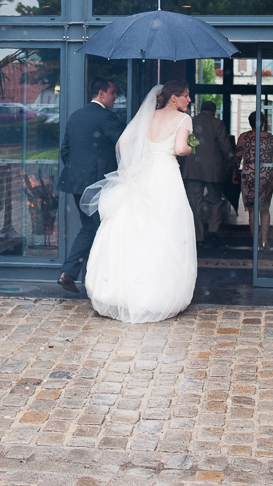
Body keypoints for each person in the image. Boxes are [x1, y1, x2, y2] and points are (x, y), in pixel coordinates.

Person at [80, 81, 197, 323]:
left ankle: (121, 292)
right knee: (167, 230)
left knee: (135, 229)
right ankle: (158, 294)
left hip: (144, 173)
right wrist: (189, 149)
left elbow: (122, 142)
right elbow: (180, 148)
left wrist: (131, 166)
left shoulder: (148, 115)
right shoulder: (184, 120)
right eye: (185, 96)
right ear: (173, 98)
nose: (189, 100)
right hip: (165, 175)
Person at [56, 78, 123, 293]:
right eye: (113, 92)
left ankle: (75, 274)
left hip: (77, 183)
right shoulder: (107, 117)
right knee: (97, 228)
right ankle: (77, 275)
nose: (116, 96)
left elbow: (65, 150)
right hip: (99, 184)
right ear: (102, 93)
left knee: (90, 227)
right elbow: (122, 147)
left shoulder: (76, 116)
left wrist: (78, 171)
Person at [182, 100, 235, 244]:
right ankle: (213, 231)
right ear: (214, 111)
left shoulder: (190, 122)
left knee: (195, 202)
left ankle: (198, 235)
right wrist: (231, 163)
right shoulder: (217, 123)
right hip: (213, 168)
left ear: (201, 109)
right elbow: (225, 146)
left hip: (192, 167)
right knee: (215, 201)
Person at [234, 111, 273, 250]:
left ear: (249, 122)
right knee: (264, 209)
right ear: (263, 122)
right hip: (266, 174)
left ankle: (255, 243)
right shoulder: (270, 138)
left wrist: (234, 174)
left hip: (249, 174)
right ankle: (264, 241)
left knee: (252, 211)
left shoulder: (243, 137)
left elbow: (236, 158)